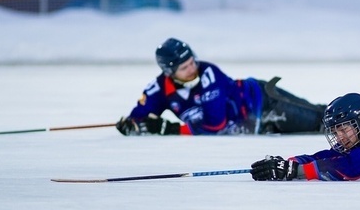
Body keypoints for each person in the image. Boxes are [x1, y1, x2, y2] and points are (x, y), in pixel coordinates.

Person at [116, 38, 325, 136]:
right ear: (169, 72)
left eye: (192, 62)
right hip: (255, 127)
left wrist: (171, 129)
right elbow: (140, 114)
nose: (192, 69)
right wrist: (131, 124)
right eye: (184, 67)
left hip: (265, 104)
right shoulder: (159, 88)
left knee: (321, 121)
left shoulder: (208, 74)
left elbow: (216, 125)